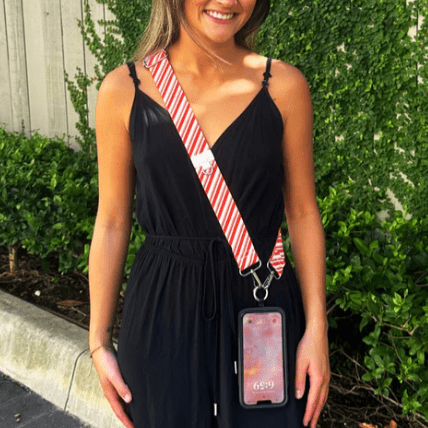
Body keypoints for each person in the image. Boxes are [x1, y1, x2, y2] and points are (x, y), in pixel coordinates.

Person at [88, 0, 331, 427]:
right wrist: (98, 341)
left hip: (261, 303)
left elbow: (303, 212)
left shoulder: (283, 86)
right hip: (162, 312)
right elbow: (111, 222)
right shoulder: (123, 90)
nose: (227, 1)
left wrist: (317, 330)